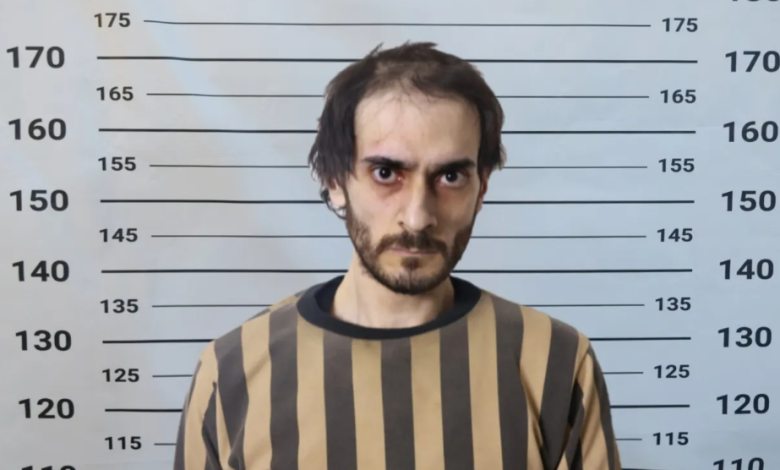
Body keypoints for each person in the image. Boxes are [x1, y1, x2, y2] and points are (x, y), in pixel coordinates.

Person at [173, 41, 621, 470]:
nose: (418, 217)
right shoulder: (231, 371)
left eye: (450, 177)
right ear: (334, 180)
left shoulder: (556, 362)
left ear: (482, 187)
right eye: (386, 173)